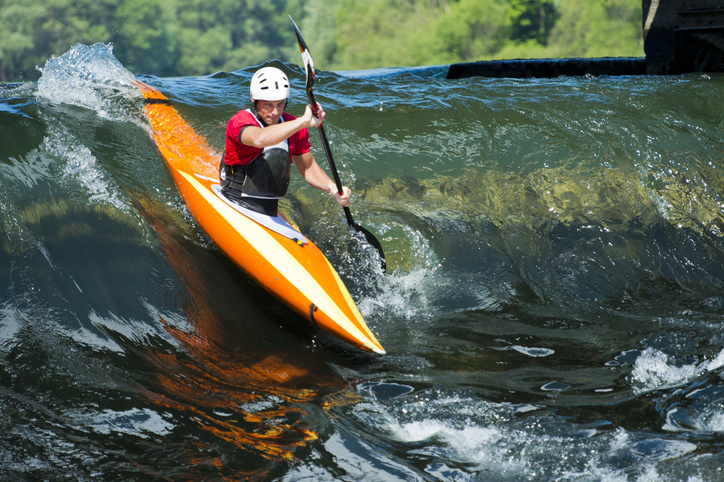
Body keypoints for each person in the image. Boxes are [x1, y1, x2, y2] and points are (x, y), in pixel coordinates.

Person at [220, 66, 351, 217]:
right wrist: (302, 121)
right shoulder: (240, 121)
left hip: (269, 207)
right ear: (253, 99)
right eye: (268, 104)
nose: (275, 112)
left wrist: (332, 188)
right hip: (234, 199)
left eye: (280, 104)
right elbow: (258, 139)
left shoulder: (294, 126)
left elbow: (308, 168)